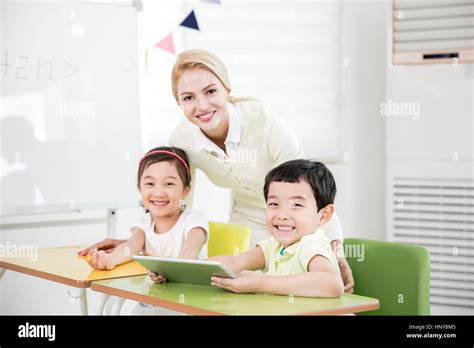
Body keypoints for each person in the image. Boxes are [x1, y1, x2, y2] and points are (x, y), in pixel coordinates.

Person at [79, 49, 354, 292]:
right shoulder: (183, 140)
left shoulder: (266, 123)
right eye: (188, 97)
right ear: (179, 103)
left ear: (227, 89)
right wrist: (139, 243)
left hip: (296, 216)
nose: (201, 106)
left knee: (293, 283)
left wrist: (335, 250)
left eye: (210, 91)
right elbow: (177, 208)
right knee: (245, 288)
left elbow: (310, 194)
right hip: (247, 216)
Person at [209, 159, 344, 297]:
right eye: (274, 204)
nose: (282, 215)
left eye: (296, 205)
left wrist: (260, 283)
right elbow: (235, 261)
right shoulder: (275, 246)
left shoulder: (310, 245)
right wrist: (189, 268)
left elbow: (333, 284)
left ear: (323, 215)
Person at [80, 146, 209, 284]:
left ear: (186, 190)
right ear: (139, 188)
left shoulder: (194, 220)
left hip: (190, 296)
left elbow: (189, 253)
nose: (158, 193)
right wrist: (109, 260)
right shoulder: (144, 222)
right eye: (150, 183)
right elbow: (131, 246)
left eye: (169, 183)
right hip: (155, 295)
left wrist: (170, 272)